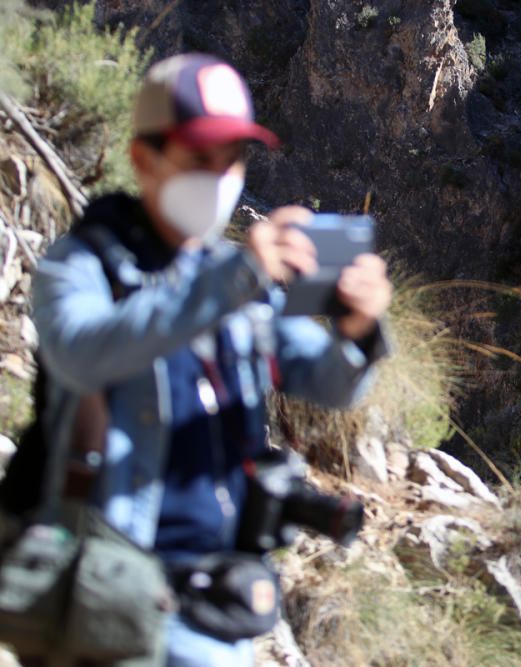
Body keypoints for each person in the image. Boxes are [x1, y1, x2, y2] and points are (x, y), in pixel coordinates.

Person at [30, 54, 392, 666]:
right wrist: (239, 275)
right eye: (201, 156)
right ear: (144, 159)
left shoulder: (235, 286)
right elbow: (80, 353)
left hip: (213, 608)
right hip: (111, 600)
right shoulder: (83, 264)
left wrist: (359, 329)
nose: (221, 175)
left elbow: (332, 383)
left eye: (233, 157)